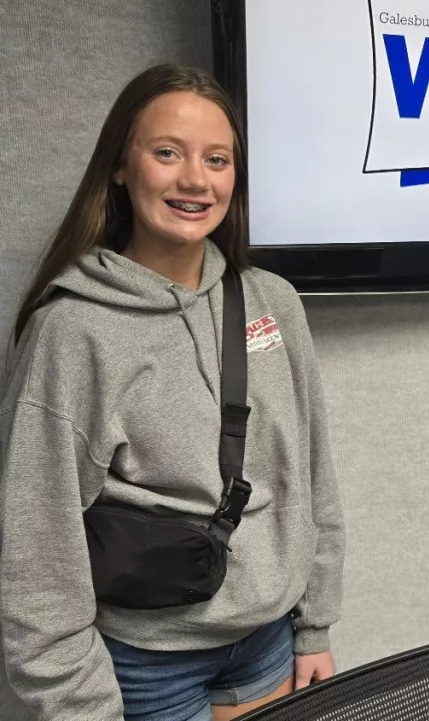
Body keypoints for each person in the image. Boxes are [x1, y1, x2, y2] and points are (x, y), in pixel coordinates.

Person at [0, 63, 344, 721]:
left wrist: (315, 624)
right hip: (146, 663)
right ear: (120, 166)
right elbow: (36, 547)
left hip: (266, 643)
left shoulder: (273, 304)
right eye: (167, 153)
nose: (195, 180)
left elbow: (310, 471)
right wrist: (79, 706)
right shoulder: (72, 330)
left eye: (217, 159)